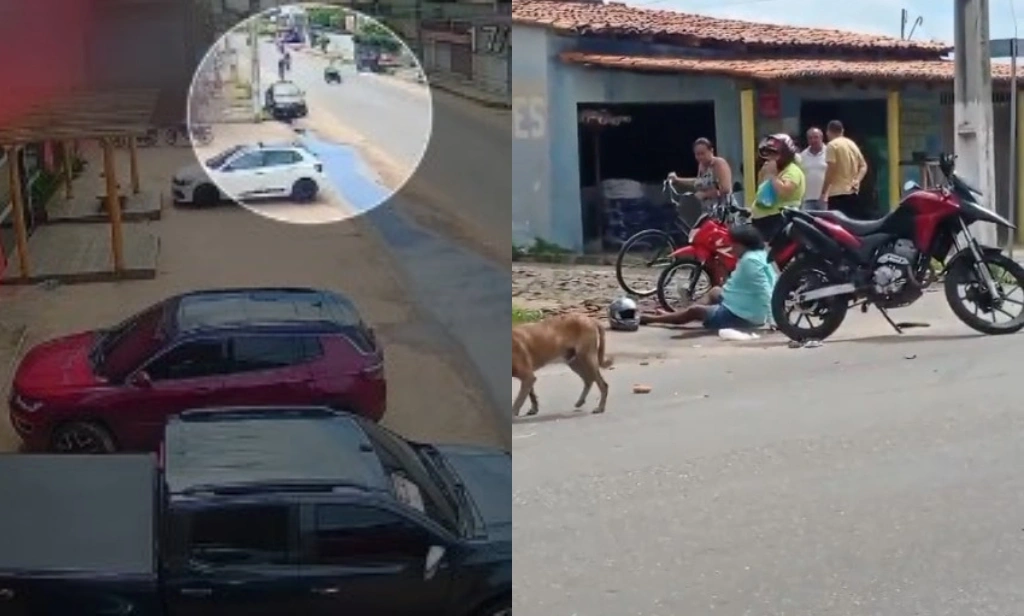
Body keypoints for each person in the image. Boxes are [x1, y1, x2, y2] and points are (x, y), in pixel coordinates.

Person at [639, 224, 777, 331]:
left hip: (742, 316)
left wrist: (773, 320)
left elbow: (765, 290)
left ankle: (652, 319)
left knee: (696, 311)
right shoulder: (759, 254)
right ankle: (674, 315)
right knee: (715, 291)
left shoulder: (750, 261)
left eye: (733, 244)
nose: (731, 247)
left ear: (742, 245)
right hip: (739, 304)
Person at [750, 134, 806, 242]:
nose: (770, 157)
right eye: (768, 153)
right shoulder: (774, 169)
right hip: (764, 222)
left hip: (779, 221)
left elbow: (785, 191)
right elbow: (762, 190)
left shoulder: (792, 170)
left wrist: (772, 175)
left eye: (774, 153)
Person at [668, 138, 734, 212]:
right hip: (708, 210)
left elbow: (725, 188)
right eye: (697, 154)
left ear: (711, 151)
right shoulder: (701, 165)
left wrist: (705, 194)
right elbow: (699, 182)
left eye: (702, 153)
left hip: (723, 210)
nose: (700, 157)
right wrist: (677, 180)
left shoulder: (719, 163)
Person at [819, 120, 868, 219]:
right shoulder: (851, 144)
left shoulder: (832, 145)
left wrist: (824, 191)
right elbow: (863, 166)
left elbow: (831, 169)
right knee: (851, 224)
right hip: (852, 192)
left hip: (837, 194)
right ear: (842, 131)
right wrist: (857, 180)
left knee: (838, 225)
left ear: (828, 132)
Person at [799, 127, 828, 211]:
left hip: (825, 199)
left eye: (816, 137)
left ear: (821, 138)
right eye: (810, 138)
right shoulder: (802, 156)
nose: (813, 140)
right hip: (806, 199)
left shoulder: (830, 152)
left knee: (826, 223)